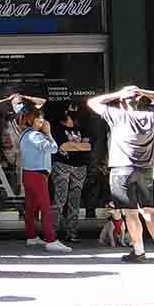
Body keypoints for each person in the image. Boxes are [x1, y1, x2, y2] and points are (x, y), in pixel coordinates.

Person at [88, 85, 154, 263]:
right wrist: (142, 91)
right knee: (149, 210)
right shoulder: (150, 115)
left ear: (123, 102)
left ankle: (138, 251)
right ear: (139, 100)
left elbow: (91, 102)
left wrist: (118, 94)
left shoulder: (118, 115)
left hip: (122, 169)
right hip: (145, 169)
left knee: (131, 213)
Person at [15, 100, 71, 253]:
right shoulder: (35, 136)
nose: (42, 122)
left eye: (42, 118)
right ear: (31, 120)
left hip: (29, 174)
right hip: (38, 175)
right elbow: (52, 149)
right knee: (45, 207)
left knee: (31, 207)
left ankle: (31, 236)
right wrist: (49, 133)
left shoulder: (25, 134)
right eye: (39, 119)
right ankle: (51, 239)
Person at [50, 103, 93, 243]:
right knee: (59, 200)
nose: (72, 113)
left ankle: (71, 233)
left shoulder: (81, 127)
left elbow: (88, 146)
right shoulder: (56, 128)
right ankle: (53, 233)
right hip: (62, 165)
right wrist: (77, 146)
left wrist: (72, 146)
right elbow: (62, 146)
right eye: (69, 110)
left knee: (75, 200)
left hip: (80, 167)